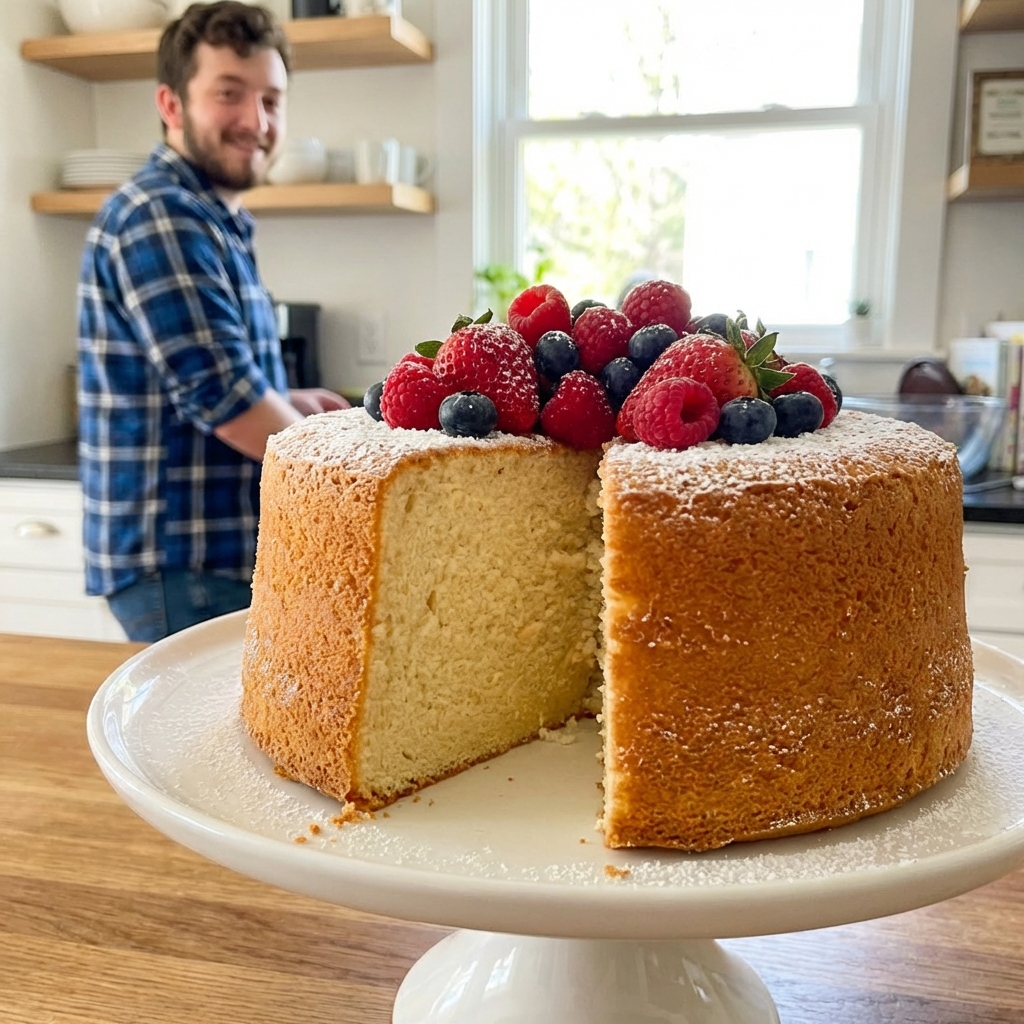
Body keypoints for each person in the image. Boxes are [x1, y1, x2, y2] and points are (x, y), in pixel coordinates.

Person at [77, 1, 348, 643]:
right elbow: (229, 401)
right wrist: (340, 470)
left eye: (272, 100)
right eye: (230, 94)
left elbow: (231, 386)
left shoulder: (211, 219)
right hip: (188, 566)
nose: (256, 121)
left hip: (203, 560)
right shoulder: (163, 215)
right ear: (171, 105)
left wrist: (287, 403)